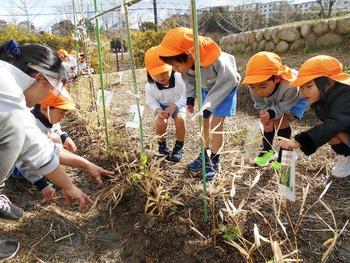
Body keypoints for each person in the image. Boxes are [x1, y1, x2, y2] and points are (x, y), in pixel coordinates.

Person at [0, 40, 112, 259]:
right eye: (51, 88)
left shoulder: (7, 85)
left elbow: (38, 144)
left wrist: (86, 164)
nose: (48, 95)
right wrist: (69, 186)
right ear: (39, 78)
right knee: (12, 131)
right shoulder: (6, 89)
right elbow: (35, 149)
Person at [157, 27, 241, 179]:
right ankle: (205, 154)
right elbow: (188, 79)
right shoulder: (187, 64)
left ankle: (215, 161)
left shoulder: (217, 61)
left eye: (176, 65)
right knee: (204, 122)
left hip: (224, 89)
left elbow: (229, 81)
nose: (175, 70)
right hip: (207, 89)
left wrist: (209, 106)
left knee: (216, 124)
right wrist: (190, 98)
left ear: (189, 54)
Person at [277, 55, 350, 178]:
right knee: (328, 131)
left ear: (329, 82)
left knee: (329, 129)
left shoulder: (346, 96)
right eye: (302, 87)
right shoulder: (322, 99)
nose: (304, 92)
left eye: (309, 86)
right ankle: (347, 157)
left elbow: (334, 124)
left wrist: (299, 142)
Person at [242, 51, 308, 166]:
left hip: (296, 100)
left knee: (280, 119)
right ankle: (268, 150)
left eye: (263, 86)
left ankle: (285, 154)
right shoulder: (255, 85)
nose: (258, 91)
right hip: (276, 101)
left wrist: (272, 113)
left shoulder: (291, 86)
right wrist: (267, 115)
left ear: (277, 78)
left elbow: (284, 107)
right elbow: (261, 104)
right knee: (268, 120)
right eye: (253, 87)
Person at [12, 90, 77, 201]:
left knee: (55, 138)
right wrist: (42, 184)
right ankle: (50, 177)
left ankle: (54, 175)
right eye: (61, 113)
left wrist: (65, 137)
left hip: (38, 160)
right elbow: (22, 161)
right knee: (53, 139)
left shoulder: (47, 115)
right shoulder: (32, 126)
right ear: (44, 108)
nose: (63, 116)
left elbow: (55, 126)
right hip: (20, 168)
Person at [144, 46, 186, 162]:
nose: (160, 77)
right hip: (161, 107)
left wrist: (175, 106)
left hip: (177, 103)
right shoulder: (149, 86)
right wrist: (158, 110)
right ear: (148, 72)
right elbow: (151, 101)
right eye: (156, 74)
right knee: (161, 122)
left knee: (180, 120)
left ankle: (179, 147)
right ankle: (162, 146)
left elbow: (187, 96)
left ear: (172, 68)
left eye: (164, 72)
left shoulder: (179, 78)